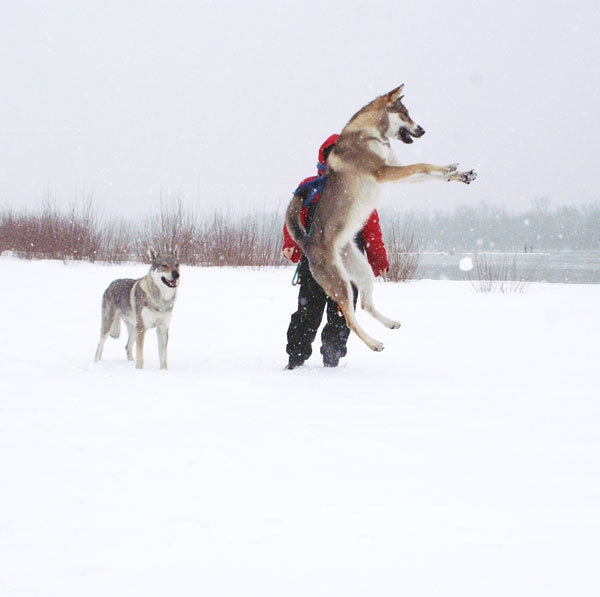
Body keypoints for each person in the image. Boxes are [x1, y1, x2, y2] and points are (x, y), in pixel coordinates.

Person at [282, 134, 389, 369]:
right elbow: (294, 217)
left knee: (341, 313)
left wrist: (378, 258)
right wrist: (291, 243)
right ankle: (296, 357)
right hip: (316, 263)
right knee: (308, 312)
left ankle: (332, 356)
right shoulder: (309, 186)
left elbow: (371, 229)